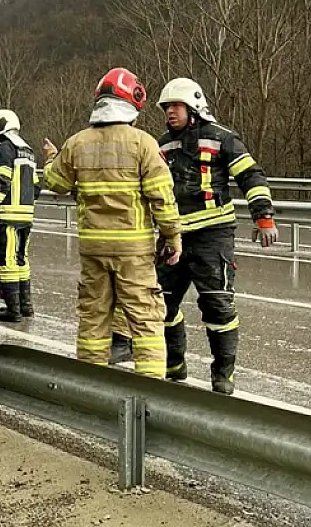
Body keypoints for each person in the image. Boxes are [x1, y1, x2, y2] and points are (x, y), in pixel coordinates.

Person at [109, 78, 277, 395]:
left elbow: (251, 175)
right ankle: (174, 366)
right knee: (161, 304)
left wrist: (263, 216)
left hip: (213, 237)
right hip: (173, 238)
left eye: (176, 106)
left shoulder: (222, 138)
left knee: (217, 306)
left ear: (194, 107)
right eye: (166, 108)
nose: (169, 112)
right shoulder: (161, 145)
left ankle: (222, 376)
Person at [39, 68, 181, 378]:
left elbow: (55, 182)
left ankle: (91, 388)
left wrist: (51, 157)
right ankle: (150, 389)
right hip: (133, 251)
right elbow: (162, 197)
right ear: (132, 103)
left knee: (93, 318)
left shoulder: (77, 143)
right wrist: (173, 237)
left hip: (93, 248)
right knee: (145, 320)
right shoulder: (143, 144)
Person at [0, 109, 40, 322]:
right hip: (25, 216)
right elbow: (36, 188)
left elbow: (1, 181)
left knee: (7, 261)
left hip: (7, 215)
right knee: (21, 259)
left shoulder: (5, 148)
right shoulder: (27, 150)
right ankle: (25, 306)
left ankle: (13, 310)